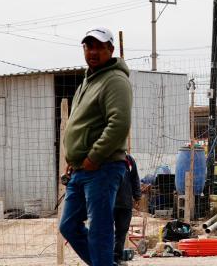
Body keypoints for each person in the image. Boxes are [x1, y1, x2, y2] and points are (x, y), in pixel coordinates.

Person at [59, 27, 133, 266]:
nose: (92, 51)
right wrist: (73, 160)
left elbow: (119, 124)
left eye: (99, 47)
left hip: (102, 167)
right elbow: (82, 126)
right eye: (88, 46)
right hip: (81, 169)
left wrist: (94, 157)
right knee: (68, 226)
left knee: (100, 230)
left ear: (110, 50)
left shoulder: (115, 80)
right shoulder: (86, 82)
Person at [112, 154, 140, 264]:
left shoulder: (129, 160)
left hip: (125, 202)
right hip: (109, 202)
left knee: (122, 230)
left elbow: (135, 178)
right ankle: (105, 257)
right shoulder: (107, 158)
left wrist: (137, 195)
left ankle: (117, 257)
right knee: (106, 230)